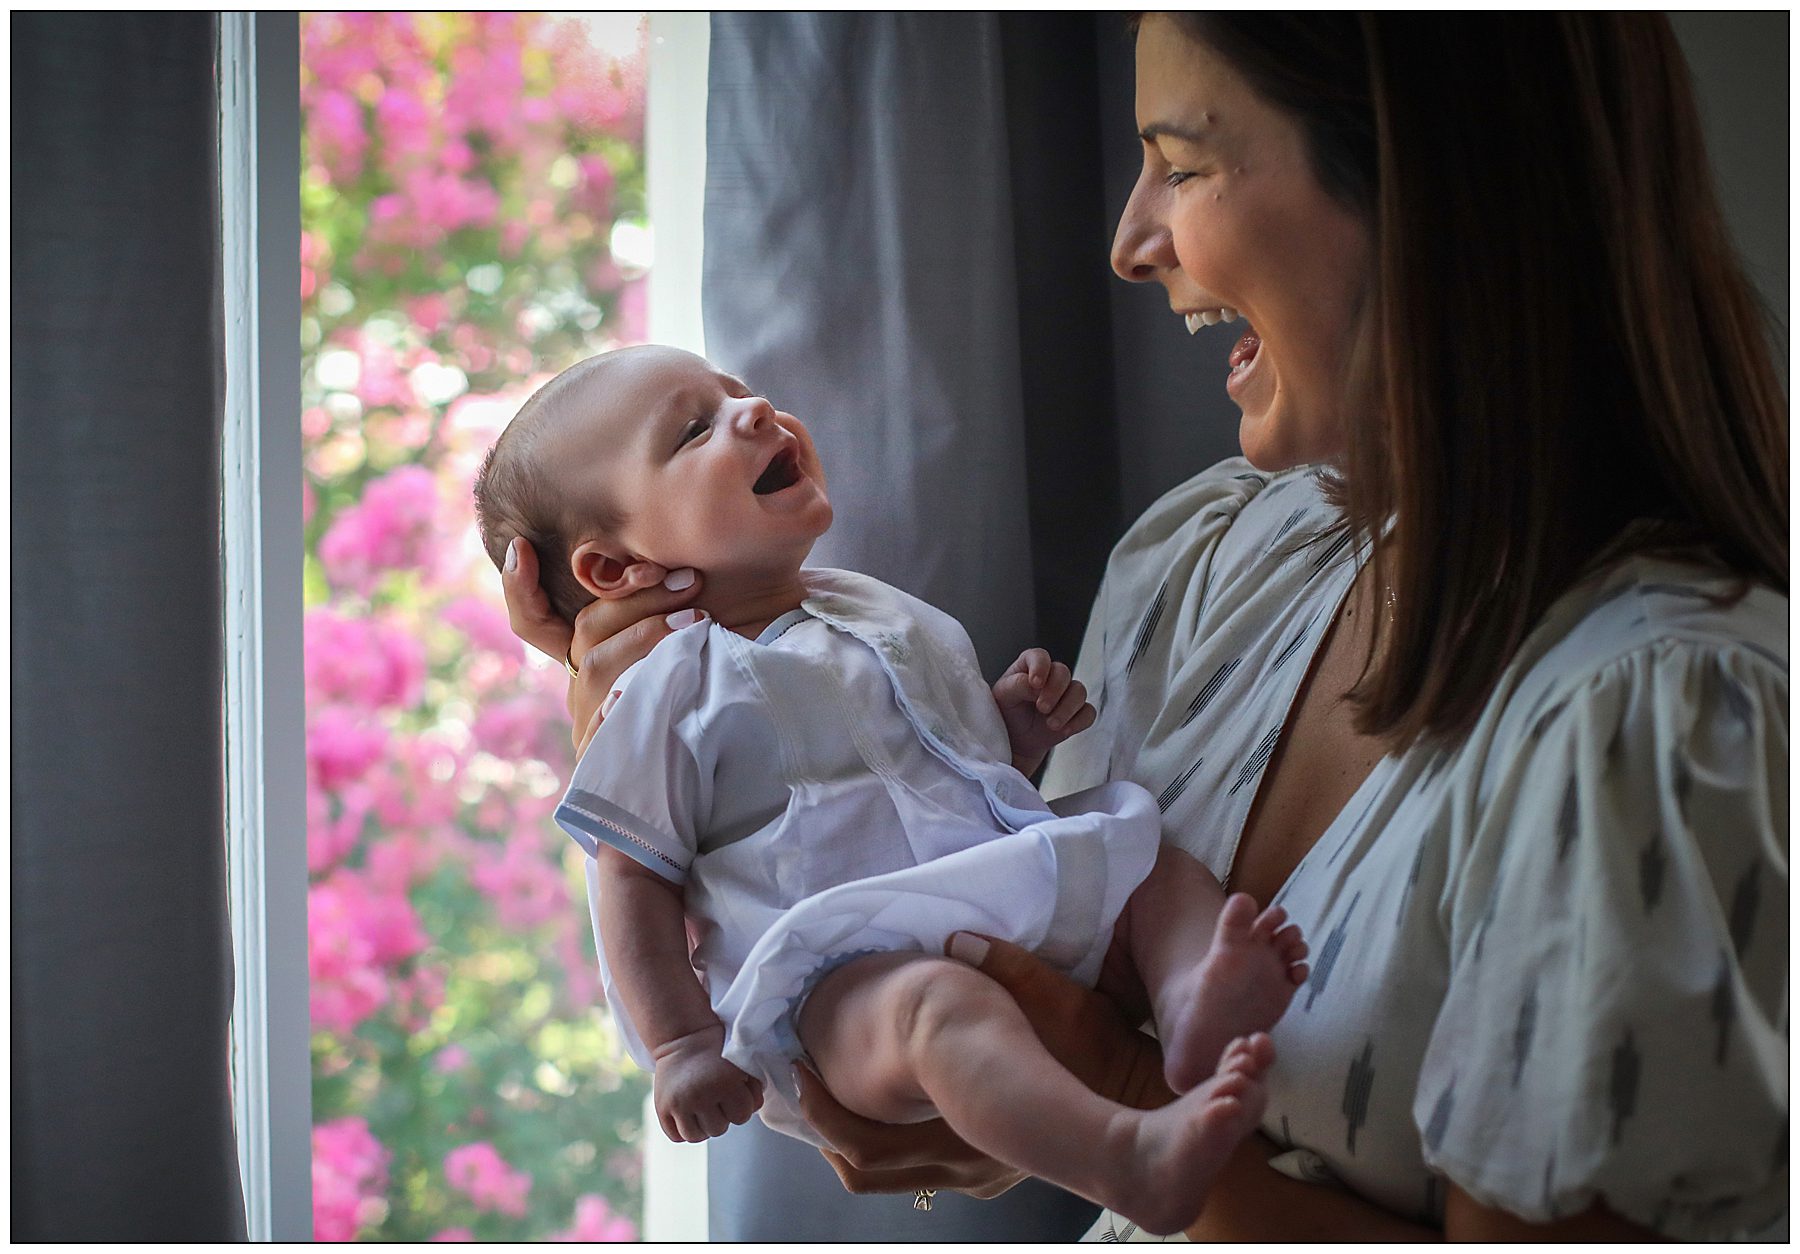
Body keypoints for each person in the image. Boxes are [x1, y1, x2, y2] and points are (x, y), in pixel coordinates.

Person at [501, 13, 1787, 1241]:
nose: (1130, 241)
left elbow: (1073, 1024)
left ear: (1434, 197)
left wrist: (1117, 1089)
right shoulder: (1208, 554)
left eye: (1179, 164)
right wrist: (661, 719)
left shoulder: (1659, 721)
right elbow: (1008, 921)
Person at [473, 344, 1311, 1235]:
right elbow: (631, 875)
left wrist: (1013, 728)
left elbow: (944, 768)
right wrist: (681, 1046)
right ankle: (1124, 1155)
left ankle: (1189, 1009)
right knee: (936, 1011)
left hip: (996, 886)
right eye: (694, 430)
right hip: (837, 977)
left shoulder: (869, 607)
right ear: (615, 571)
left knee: (1157, 871)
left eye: (740, 394)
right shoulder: (663, 691)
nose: (754, 412)